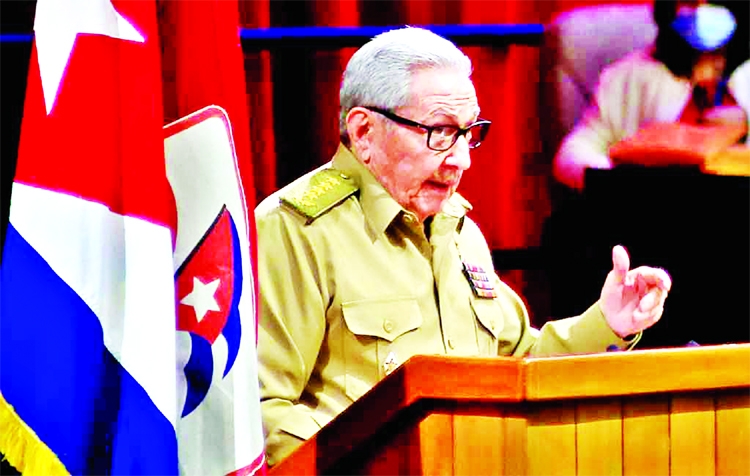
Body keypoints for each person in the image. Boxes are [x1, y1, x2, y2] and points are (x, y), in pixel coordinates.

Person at [255, 26, 672, 466]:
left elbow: (516, 369)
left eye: (467, 132)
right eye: (439, 131)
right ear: (364, 132)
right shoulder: (295, 229)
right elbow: (263, 413)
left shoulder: (458, 229)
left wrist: (607, 322)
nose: (461, 159)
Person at [553, 0, 750, 190]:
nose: (701, 11)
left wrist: (745, 122)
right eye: (689, 2)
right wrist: (614, 183)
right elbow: (578, 150)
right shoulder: (631, 76)